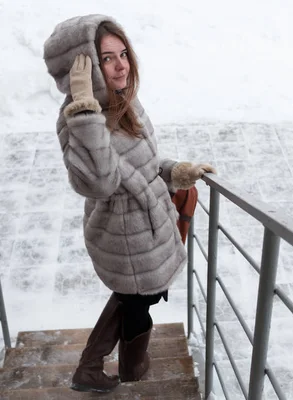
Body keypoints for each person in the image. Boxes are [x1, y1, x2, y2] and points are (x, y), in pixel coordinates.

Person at [43, 15, 215, 393]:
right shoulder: (76, 119)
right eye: (106, 58)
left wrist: (176, 171)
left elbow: (144, 163)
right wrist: (86, 113)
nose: (122, 65)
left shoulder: (125, 100)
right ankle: (132, 369)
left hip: (146, 226)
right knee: (138, 299)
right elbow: (100, 183)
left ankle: (93, 367)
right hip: (123, 235)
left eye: (123, 54)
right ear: (82, 67)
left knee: (136, 297)